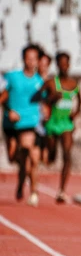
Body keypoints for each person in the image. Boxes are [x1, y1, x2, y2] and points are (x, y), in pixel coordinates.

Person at [0, 45, 44, 206]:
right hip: (11, 122)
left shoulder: (40, 81)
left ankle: (33, 192)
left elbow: (45, 101)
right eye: (28, 58)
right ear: (23, 59)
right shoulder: (12, 77)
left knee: (31, 155)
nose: (30, 62)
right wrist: (9, 110)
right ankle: (21, 179)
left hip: (29, 122)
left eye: (34, 59)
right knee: (14, 157)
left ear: (38, 61)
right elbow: (1, 97)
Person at [39, 52, 81, 204]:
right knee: (52, 155)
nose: (63, 66)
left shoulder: (73, 84)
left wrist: (74, 114)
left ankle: (62, 190)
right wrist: (50, 99)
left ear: (69, 65)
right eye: (61, 63)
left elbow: (80, 102)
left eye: (66, 63)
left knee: (67, 154)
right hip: (53, 123)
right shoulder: (51, 83)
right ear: (57, 65)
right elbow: (37, 97)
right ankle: (49, 151)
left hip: (66, 124)